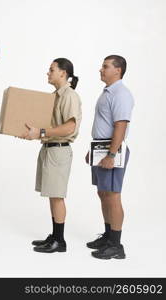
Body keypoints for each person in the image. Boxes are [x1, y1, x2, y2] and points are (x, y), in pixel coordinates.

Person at [22, 58, 81, 254]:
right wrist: (34, 132)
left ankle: (60, 241)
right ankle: (55, 236)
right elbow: (48, 127)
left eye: (51, 70)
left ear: (63, 73)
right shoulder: (54, 96)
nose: (48, 73)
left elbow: (70, 127)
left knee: (57, 196)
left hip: (59, 150)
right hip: (50, 149)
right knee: (51, 194)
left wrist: (41, 132)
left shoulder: (69, 96)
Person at [86, 55, 134, 260]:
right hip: (101, 147)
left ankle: (116, 245)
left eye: (105, 66)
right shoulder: (107, 92)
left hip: (111, 150)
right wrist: (93, 150)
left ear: (118, 70)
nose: (101, 69)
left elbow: (120, 125)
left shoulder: (121, 93)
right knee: (103, 193)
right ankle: (108, 236)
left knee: (113, 195)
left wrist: (111, 154)